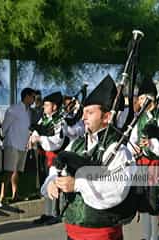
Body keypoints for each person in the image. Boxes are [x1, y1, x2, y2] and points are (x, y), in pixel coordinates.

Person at [42, 75, 136, 240]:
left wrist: (77, 184)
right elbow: (55, 169)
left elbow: (116, 190)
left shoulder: (118, 149)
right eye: (84, 112)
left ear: (107, 117)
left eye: (90, 112)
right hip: (72, 232)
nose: (83, 117)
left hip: (102, 234)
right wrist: (51, 182)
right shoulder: (76, 144)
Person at [128, 78, 159, 240]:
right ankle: (146, 236)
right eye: (139, 99)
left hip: (154, 164)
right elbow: (132, 139)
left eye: (141, 98)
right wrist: (135, 148)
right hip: (141, 164)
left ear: (150, 99)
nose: (139, 101)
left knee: (153, 201)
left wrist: (152, 143)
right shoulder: (139, 118)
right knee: (143, 202)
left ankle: (154, 237)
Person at [29, 91, 69, 225]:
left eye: (47, 105)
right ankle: (48, 213)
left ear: (55, 107)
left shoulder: (60, 122)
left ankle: (56, 214)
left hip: (58, 158)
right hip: (45, 157)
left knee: (55, 182)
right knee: (46, 183)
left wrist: (40, 138)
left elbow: (57, 141)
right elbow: (37, 130)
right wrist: (33, 138)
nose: (44, 107)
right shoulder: (45, 119)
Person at [0, 87, 36, 202]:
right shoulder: (13, 109)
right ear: (27, 97)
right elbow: (4, 127)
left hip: (22, 145)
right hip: (12, 143)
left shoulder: (29, 111)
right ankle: (2, 196)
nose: (34, 99)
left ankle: (15, 194)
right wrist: (2, 141)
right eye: (32, 97)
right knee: (8, 171)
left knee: (17, 171)